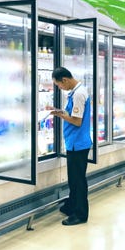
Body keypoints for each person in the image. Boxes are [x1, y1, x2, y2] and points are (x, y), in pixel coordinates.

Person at [48, 67, 92, 226]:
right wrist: (59, 112)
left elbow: (77, 121)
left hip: (78, 144)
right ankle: (72, 206)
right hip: (75, 142)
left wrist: (61, 115)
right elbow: (73, 115)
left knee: (78, 180)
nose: (60, 88)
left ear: (64, 80)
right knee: (74, 179)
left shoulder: (79, 94)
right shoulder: (77, 91)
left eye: (59, 85)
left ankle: (80, 214)